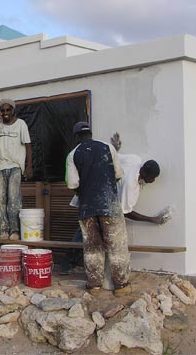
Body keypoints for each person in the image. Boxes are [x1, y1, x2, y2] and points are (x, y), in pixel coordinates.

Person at [59, 134, 170, 274]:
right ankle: (69, 266)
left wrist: (115, 148)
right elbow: (126, 211)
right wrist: (152, 219)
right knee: (89, 236)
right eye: (152, 178)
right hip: (100, 203)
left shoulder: (135, 160)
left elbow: (114, 157)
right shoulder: (131, 185)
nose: (153, 181)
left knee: (85, 232)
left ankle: (69, 265)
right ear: (145, 174)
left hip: (91, 194)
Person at [65, 121, 131, 296]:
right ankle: (122, 286)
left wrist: (85, 191)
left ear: (77, 137)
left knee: (92, 248)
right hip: (110, 206)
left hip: (87, 208)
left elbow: (72, 183)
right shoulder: (108, 148)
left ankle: (94, 286)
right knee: (117, 246)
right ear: (90, 134)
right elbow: (118, 174)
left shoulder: (73, 154)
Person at [0, 98, 33, 240]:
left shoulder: (21, 124)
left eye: (8, 110)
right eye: (2, 110)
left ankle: (15, 231)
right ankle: (3, 230)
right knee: (0, 199)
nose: (5, 112)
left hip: (15, 166)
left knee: (13, 198)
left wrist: (29, 166)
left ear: (13, 110)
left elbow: (28, 145)